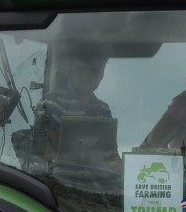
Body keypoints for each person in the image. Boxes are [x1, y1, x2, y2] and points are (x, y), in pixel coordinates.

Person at [31, 44, 120, 174]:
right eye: (80, 69)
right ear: (69, 70)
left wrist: (121, 166)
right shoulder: (50, 104)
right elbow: (45, 154)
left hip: (97, 182)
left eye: (94, 70)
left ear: (102, 74)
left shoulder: (103, 109)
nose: (86, 75)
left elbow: (111, 155)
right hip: (58, 180)